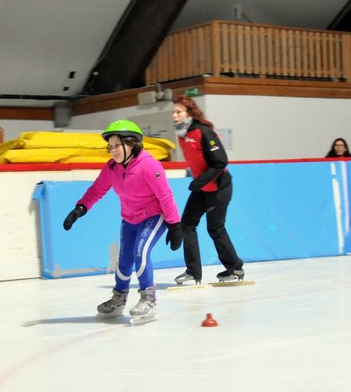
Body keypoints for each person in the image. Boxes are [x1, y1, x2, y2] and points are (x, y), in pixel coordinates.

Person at [62, 119, 182, 324]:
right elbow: (97, 190)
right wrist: (80, 208)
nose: (113, 150)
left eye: (117, 145)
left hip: (153, 216)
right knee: (124, 259)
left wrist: (175, 225)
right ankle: (119, 298)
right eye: (110, 146)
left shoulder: (149, 165)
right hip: (129, 218)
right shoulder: (112, 168)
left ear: (132, 144)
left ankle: (148, 298)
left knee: (140, 253)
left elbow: (165, 196)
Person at [171, 97, 245, 285]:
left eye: (178, 112)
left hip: (219, 187)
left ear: (189, 113)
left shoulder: (203, 132)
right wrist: (198, 181)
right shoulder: (182, 135)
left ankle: (235, 268)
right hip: (202, 188)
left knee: (215, 228)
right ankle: (193, 272)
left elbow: (220, 162)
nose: (174, 115)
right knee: (187, 225)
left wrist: (199, 181)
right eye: (174, 112)